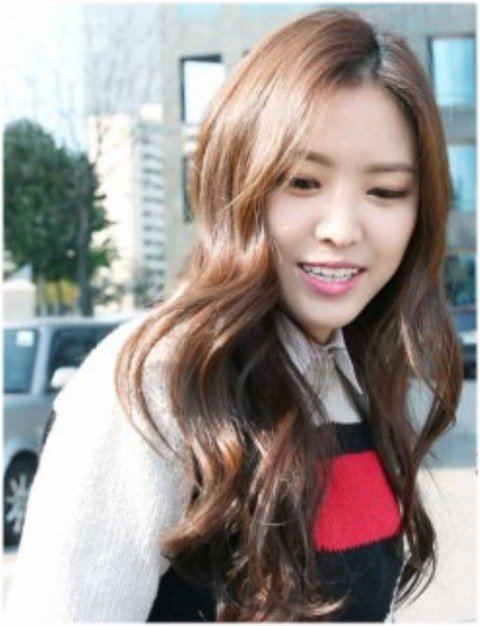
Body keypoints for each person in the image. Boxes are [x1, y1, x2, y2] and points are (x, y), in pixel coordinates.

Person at [5, 8, 462, 623]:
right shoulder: (155, 385)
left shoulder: (351, 378)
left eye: (384, 192)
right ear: (237, 182)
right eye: (302, 182)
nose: (342, 228)